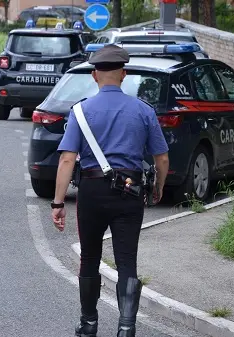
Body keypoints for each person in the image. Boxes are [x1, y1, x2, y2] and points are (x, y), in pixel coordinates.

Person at [50, 44, 169, 337]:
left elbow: (67, 158)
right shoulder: (143, 110)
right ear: (124, 74)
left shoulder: (80, 111)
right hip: (130, 193)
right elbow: (161, 158)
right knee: (127, 260)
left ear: (94, 76)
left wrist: (57, 202)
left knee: (90, 256)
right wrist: (159, 188)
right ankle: (126, 328)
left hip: (91, 191)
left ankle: (88, 323)